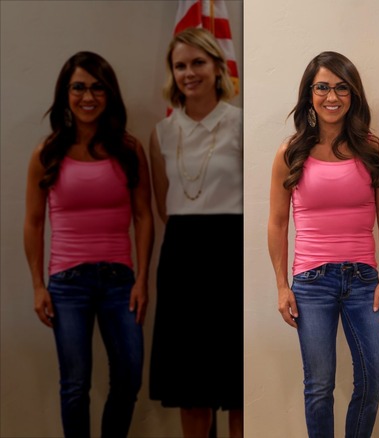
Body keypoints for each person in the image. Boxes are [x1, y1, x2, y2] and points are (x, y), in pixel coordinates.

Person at [23, 51, 153, 438]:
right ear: (65, 93)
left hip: (120, 282)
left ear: (109, 94)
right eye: (78, 87)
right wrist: (37, 286)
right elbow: (33, 223)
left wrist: (142, 279)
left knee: (129, 377)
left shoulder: (129, 149)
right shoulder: (46, 154)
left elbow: (144, 216)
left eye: (97, 87)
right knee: (75, 385)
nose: (88, 96)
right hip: (67, 284)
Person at [269, 51, 379, 438]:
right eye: (322, 87)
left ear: (353, 95)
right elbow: (277, 223)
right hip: (311, 282)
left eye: (341, 88)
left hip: (364, 281)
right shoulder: (290, 152)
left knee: (373, 381)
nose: (332, 96)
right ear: (309, 93)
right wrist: (281, 286)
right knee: (319, 387)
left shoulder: (373, 148)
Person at [148, 27, 243, 437]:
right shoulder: (162, 133)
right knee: (191, 384)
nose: (190, 72)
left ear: (217, 68)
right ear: (173, 73)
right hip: (182, 257)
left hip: (231, 255)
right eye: (181, 65)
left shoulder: (240, 123)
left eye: (198, 63)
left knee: (236, 381)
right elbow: (163, 203)